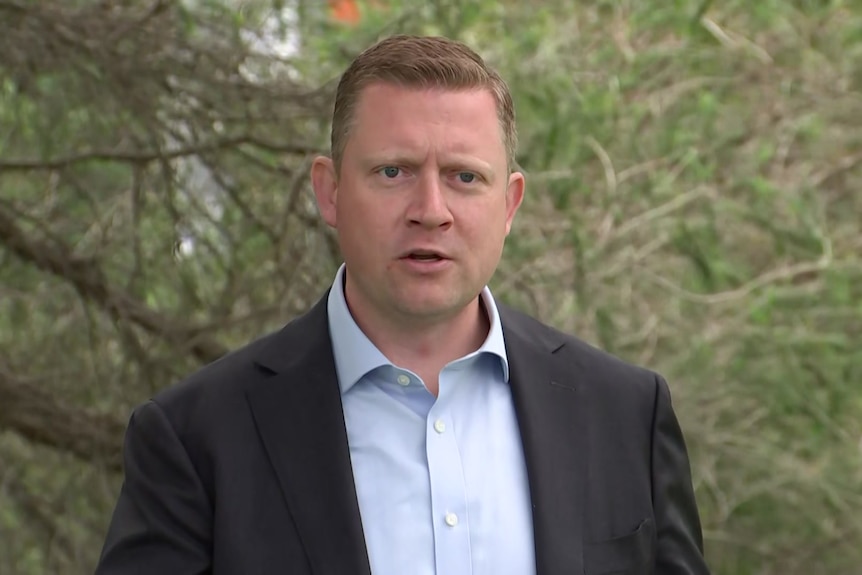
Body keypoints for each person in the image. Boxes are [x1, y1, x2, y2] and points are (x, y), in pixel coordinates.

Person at [95, 34, 710, 575]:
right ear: (329, 193)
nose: (431, 209)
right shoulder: (197, 439)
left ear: (510, 205)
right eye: (393, 172)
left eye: (465, 177)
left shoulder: (625, 415)